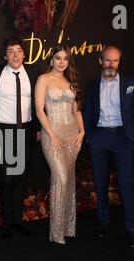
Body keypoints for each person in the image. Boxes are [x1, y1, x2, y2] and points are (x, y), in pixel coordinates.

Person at [83, 45, 134, 249]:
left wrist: (132, 137)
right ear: (100, 61)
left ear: (119, 62)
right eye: (108, 60)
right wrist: (90, 138)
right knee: (100, 183)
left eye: (115, 60)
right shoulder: (91, 87)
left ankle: (132, 228)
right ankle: (103, 221)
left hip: (123, 137)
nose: (111, 64)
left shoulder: (132, 83)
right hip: (100, 137)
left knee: (126, 185)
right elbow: (88, 114)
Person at [0, 36, 45, 240]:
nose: (15, 54)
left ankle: (18, 221)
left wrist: (39, 128)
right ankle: (6, 224)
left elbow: (41, 102)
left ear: (24, 54)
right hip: (3, 131)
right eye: (11, 51)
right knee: (6, 179)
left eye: (19, 50)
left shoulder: (33, 72)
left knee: (20, 179)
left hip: (26, 132)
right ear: (5, 55)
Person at [35, 44, 85, 245]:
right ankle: (56, 233)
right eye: (58, 58)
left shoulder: (70, 80)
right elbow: (40, 111)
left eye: (65, 58)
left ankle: (68, 227)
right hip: (52, 133)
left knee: (69, 179)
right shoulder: (44, 79)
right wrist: (52, 135)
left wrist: (82, 131)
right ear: (51, 59)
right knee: (61, 178)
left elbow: (77, 110)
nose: (62, 62)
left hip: (72, 134)